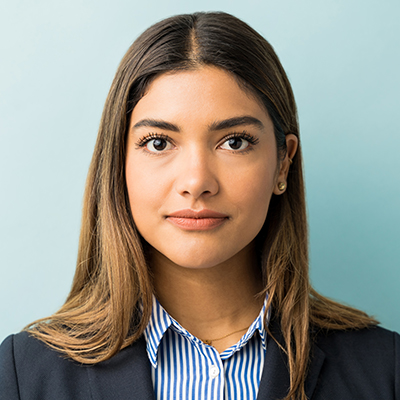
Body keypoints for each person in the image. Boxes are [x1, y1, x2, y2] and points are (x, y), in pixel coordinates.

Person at [0, 11, 398, 400]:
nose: (196, 182)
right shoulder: (22, 375)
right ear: (118, 164)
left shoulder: (387, 369)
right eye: (158, 143)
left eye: (235, 141)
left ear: (283, 162)